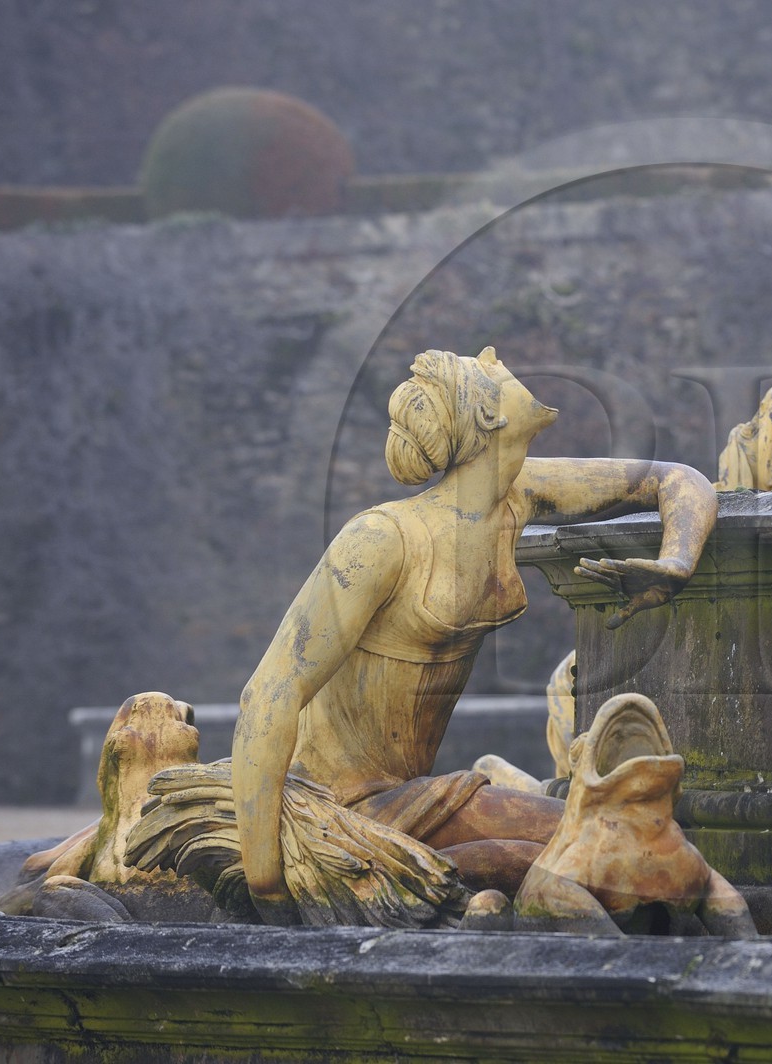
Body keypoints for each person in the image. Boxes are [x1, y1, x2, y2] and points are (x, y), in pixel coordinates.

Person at [232, 346, 715, 924]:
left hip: (415, 795)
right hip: (346, 806)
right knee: (615, 843)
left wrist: (675, 564)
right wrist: (269, 889)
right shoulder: (383, 540)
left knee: (617, 841)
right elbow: (268, 694)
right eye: (483, 366)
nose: (493, 354)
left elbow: (677, 481)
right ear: (488, 418)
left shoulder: (518, 494)